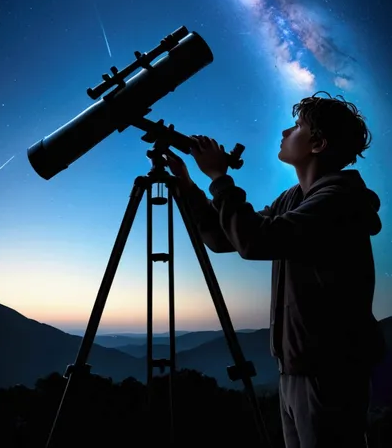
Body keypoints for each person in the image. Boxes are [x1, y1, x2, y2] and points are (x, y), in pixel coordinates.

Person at [165, 91, 386, 448]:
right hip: (295, 367)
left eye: (297, 126)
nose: (285, 132)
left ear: (318, 143)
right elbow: (228, 238)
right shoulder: (293, 199)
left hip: (330, 371)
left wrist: (220, 178)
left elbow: (256, 241)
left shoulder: (338, 201)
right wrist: (189, 187)